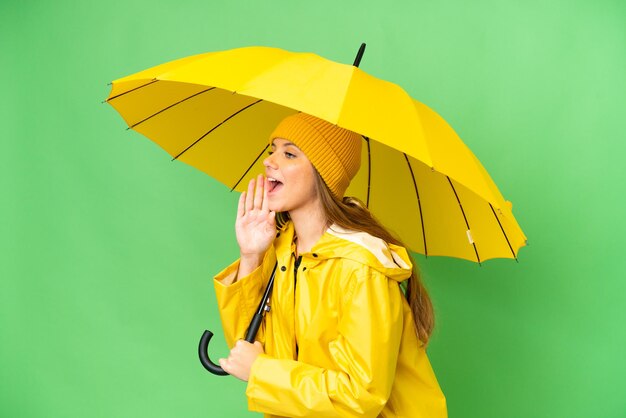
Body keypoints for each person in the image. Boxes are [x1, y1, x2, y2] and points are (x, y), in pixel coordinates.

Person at [213, 113, 447, 417]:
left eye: (289, 153)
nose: (269, 161)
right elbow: (248, 350)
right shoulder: (282, 248)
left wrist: (261, 371)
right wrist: (250, 256)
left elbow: (360, 395)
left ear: (323, 173)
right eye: (272, 149)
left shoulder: (360, 268)